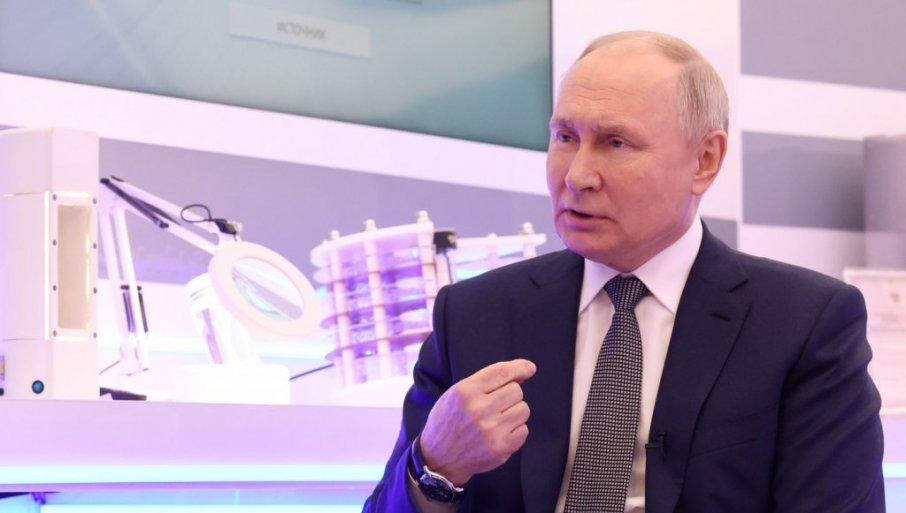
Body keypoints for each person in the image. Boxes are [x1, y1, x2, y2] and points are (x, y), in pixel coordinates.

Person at [362, 30, 885, 513]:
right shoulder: (473, 315)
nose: (577, 175)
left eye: (616, 143)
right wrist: (435, 466)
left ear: (705, 160)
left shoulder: (803, 324)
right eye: (565, 136)